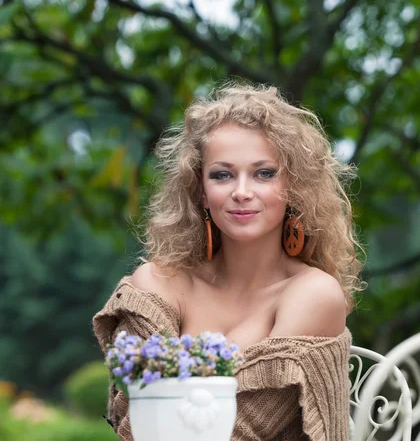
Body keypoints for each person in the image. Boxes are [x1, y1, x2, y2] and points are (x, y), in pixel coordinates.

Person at [93, 83, 364, 440]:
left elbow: (240, 431)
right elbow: (135, 421)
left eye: (264, 173)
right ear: (201, 192)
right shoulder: (158, 285)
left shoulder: (312, 294)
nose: (241, 191)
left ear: (294, 187)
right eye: (222, 174)